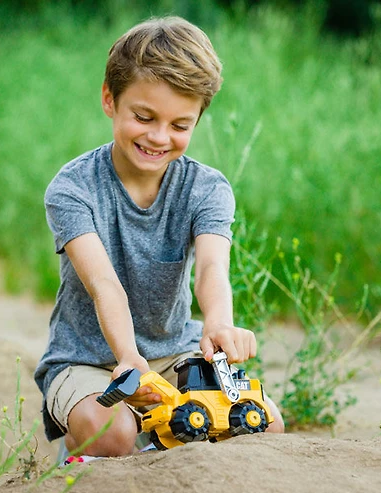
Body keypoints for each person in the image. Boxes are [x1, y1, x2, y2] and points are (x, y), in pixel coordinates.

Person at [34, 15, 284, 458]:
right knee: (112, 432)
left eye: (179, 125)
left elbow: (210, 267)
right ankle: (81, 450)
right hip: (87, 358)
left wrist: (219, 322)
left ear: (197, 119)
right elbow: (103, 285)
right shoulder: (72, 189)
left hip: (174, 352)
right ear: (110, 100)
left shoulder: (207, 188)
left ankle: (164, 453)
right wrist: (128, 358)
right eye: (144, 117)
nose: (158, 137)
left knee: (263, 425)